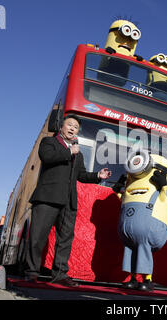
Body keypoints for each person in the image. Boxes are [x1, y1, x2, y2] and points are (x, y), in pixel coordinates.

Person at [25, 114, 111, 287]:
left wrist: (97, 176)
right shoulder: (49, 143)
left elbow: (81, 175)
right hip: (47, 197)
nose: (72, 129)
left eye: (76, 127)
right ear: (61, 127)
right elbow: (47, 157)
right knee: (37, 237)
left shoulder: (77, 154)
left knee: (65, 240)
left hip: (68, 201)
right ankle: (31, 272)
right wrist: (68, 152)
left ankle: (60, 274)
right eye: (69, 125)